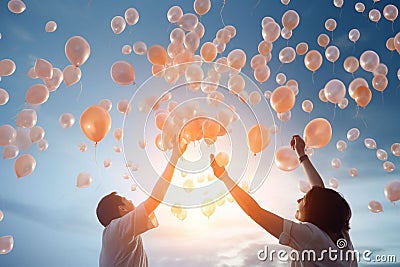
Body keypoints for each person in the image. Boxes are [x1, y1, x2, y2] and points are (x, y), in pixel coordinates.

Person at [210, 135, 357, 266]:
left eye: (304, 199)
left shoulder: (312, 236)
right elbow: (320, 193)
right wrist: (301, 154)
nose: (299, 199)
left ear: (315, 212)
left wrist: (225, 178)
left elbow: (255, 212)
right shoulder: (341, 235)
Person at [96, 137, 186, 267]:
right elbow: (155, 199)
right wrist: (174, 157)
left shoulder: (124, 234)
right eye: (126, 199)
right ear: (122, 209)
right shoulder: (116, 230)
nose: (131, 200)